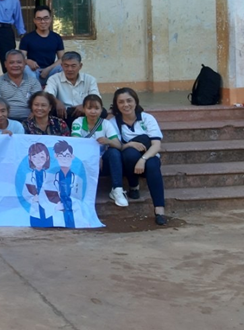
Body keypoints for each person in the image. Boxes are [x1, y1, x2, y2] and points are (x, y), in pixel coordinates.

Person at [110, 88, 167, 225]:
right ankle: (133, 186)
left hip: (148, 156)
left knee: (153, 164)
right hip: (128, 161)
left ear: (135, 102)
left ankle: (159, 210)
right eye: (121, 102)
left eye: (129, 100)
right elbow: (116, 145)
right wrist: (130, 144)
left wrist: (143, 159)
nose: (126, 105)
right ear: (116, 105)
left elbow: (156, 145)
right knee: (129, 154)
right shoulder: (113, 122)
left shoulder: (147, 118)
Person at [72, 94, 126, 207]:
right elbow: (76, 143)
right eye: (89, 108)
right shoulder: (78, 122)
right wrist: (96, 157)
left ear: (101, 110)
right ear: (84, 109)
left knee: (114, 152)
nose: (93, 111)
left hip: (102, 164)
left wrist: (108, 141)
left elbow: (118, 145)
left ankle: (117, 189)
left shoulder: (106, 124)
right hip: (84, 161)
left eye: (96, 108)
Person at [44, 51, 101, 123]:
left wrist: (84, 105)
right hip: (63, 113)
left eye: (73, 66)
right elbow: (47, 94)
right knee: (52, 110)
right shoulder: (54, 79)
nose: (69, 69)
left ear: (80, 66)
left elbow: (96, 97)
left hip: (84, 112)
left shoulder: (90, 79)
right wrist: (57, 102)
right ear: (61, 66)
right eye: (66, 66)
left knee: (102, 111)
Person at [0, 50, 41, 122]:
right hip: (5, 121)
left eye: (19, 62)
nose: (15, 65)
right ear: (5, 64)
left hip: (30, 120)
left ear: (25, 64)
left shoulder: (33, 82)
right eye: (11, 62)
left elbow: (39, 101)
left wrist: (34, 113)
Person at [19, 5, 64, 84]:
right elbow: (19, 58)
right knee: (25, 68)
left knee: (63, 67)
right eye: (39, 19)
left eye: (46, 18)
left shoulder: (57, 38)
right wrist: (27, 61)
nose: (42, 21)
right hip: (33, 72)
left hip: (51, 72)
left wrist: (48, 69)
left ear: (50, 19)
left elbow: (62, 59)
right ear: (34, 20)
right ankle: (35, 92)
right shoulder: (27, 38)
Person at [23, 142, 55, 228]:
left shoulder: (50, 176)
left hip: (48, 210)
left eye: (42, 157)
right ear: (30, 158)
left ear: (47, 158)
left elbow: (54, 193)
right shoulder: (29, 176)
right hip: (35, 209)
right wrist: (33, 198)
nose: (38, 160)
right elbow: (25, 193)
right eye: (34, 157)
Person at [52, 140, 82, 229]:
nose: (64, 158)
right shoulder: (51, 178)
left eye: (67, 155)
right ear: (56, 156)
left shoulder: (78, 179)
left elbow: (79, 199)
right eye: (61, 155)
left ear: (72, 157)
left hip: (74, 213)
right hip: (56, 214)